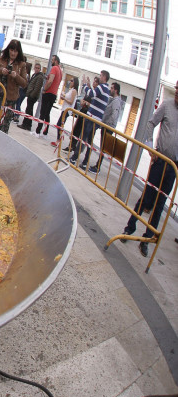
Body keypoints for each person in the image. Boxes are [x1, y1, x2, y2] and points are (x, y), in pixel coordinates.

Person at [122, 81, 178, 257]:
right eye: (176, 89)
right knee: (147, 197)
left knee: (160, 204)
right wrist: (150, 146)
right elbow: (151, 123)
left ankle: (147, 238)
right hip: (160, 161)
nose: (176, 93)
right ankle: (130, 228)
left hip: (174, 167)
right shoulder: (167, 105)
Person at [70, 70, 111, 167]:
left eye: (100, 76)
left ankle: (74, 157)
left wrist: (84, 85)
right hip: (97, 119)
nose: (99, 77)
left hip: (92, 117)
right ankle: (85, 162)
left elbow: (90, 94)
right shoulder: (106, 89)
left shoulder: (101, 87)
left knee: (83, 138)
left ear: (104, 77)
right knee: (89, 141)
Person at [0, 39, 29, 133]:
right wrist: (1, 70)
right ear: (8, 50)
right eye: (11, 50)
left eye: (15, 51)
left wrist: (16, 76)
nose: (13, 53)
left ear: (18, 52)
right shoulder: (2, 59)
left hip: (10, 99)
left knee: (4, 124)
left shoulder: (22, 64)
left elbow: (24, 83)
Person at [88, 82, 124, 174]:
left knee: (103, 148)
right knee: (102, 147)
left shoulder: (116, 101)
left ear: (116, 90)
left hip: (108, 127)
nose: (110, 90)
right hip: (106, 126)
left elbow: (114, 115)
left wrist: (107, 124)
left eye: (112, 88)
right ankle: (97, 165)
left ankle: (98, 167)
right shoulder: (113, 100)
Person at [37, 55, 63, 136]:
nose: (51, 61)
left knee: (43, 112)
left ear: (56, 61)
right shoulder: (60, 71)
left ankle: (38, 131)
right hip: (53, 94)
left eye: (52, 60)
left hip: (48, 93)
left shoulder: (54, 68)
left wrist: (45, 89)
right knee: (47, 113)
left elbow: (51, 81)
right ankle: (45, 132)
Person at [52, 76, 80, 147]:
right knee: (59, 124)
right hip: (64, 109)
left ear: (75, 82)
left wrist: (64, 98)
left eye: (72, 81)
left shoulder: (74, 91)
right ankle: (58, 139)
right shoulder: (71, 90)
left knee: (59, 124)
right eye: (70, 80)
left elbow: (71, 102)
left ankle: (59, 140)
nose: (70, 82)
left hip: (67, 110)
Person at [19, 63, 45, 130]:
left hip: (33, 96)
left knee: (29, 110)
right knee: (28, 110)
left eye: (38, 68)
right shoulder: (34, 75)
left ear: (40, 69)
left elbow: (37, 88)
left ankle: (27, 125)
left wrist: (31, 95)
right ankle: (26, 124)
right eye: (36, 68)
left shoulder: (40, 77)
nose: (37, 69)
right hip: (30, 95)